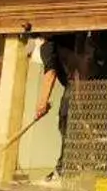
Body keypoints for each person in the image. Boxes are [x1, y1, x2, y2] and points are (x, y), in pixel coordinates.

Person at [34, 33, 87, 180]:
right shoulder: (63, 41)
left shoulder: (47, 46)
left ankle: (66, 168)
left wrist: (42, 103)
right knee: (68, 123)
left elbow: (50, 73)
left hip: (77, 83)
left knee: (66, 122)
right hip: (79, 82)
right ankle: (69, 166)